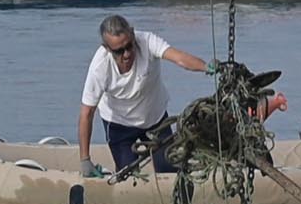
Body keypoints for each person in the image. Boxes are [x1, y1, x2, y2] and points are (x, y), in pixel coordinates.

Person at [77, 15, 210, 178]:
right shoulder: (100, 67)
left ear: (132, 35)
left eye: (129, 46)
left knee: (169, 171)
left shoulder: (147, 41)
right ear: (107, 48)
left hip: (156, 120)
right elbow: (87, 113)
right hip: (119, 124)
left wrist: (206, 67)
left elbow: (179, 59)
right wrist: (85, 159)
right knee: (129, 176)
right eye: (119, 51)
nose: (126, 54)